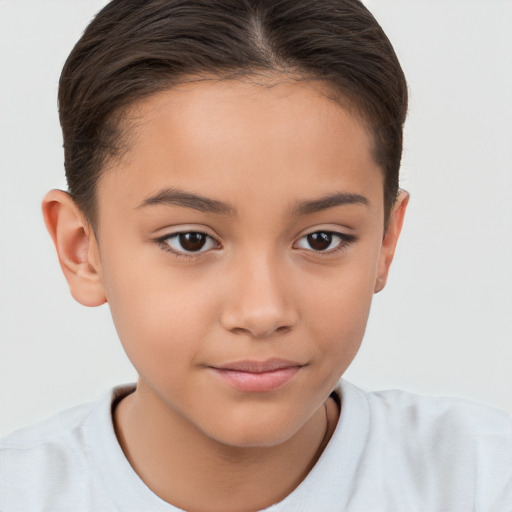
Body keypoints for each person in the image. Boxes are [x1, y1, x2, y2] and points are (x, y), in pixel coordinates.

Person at [0, 0, 510, 511]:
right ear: (81, 250)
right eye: (191, 240)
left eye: (321, 239)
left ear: (385, 241)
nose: (263, 313)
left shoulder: (483, 483)